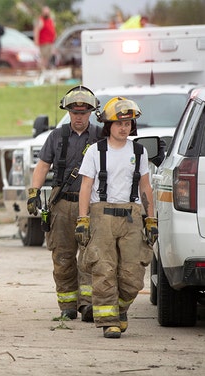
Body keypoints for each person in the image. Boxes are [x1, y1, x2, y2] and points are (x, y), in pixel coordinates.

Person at [76, 97, 156, 339]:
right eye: (119, 123)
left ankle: (120, 309)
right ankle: (109, 321)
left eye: (129, 124)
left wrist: (150, 220)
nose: (124, 128)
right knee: (104, 269)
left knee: (133, 274)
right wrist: (83, 220)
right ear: (108, 125)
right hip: (102, 216)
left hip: (131, 215)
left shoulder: (139, 151)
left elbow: (145, 187)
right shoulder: (95, 151)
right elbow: (86, 187)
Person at [27, 86, 102, 322]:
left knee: (90, 257)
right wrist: (33, 193)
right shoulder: (56, 137)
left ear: (91, 112)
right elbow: (42, 165)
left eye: (83, 111)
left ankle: (88, 304)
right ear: (68, 111)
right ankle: (68, 305)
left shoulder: (101, 136)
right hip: (61, 204)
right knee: (62, 258)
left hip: (92, 204)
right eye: (74, 111)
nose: (79, 116)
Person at [33, 6, 56, 70]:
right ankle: (41, 70)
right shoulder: (41, 20)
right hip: (44, 43)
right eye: (45, 12)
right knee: (43, 58)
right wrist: (36, 40)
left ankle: (44, 70)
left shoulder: (50, 20)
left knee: (48, 58)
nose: (46, 14)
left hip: (50, 42)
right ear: (42, 13)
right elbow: (36, 31)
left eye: (47, 12)